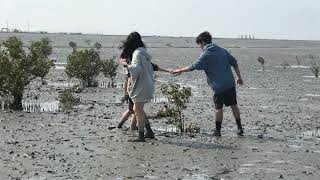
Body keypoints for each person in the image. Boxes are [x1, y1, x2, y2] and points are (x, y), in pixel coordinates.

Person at [172, 31, 244, 136]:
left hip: (218, 87)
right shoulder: (222, 50)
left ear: (203, 42)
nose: (200, 47)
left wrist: (180, 70)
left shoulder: (206, 54)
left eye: (200, 44)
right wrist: (239, 77)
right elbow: (234, 62)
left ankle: (218, 131)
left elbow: (193, 66)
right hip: (229, 83)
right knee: (234, 105)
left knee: (219, 108)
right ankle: (239, 128)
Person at [118, 32, 155, 142]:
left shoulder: (137, 54)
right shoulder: (143, 52)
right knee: (137, 109)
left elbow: (135, 71)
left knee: (137, 110)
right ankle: (149, 132)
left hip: (141, 85)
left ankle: (141, 136)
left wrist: (125, 64)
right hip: (148, 84)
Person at [117, 63, 172, 134]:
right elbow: (130, 77)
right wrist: (128, 91)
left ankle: (132, 127)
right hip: (134, 90)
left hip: (138, 89)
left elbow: (155, 67)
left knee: (135, 109)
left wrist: (169, 71)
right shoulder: (135, 61)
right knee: (135, 109)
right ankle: (123, 125)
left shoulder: (140, 61)